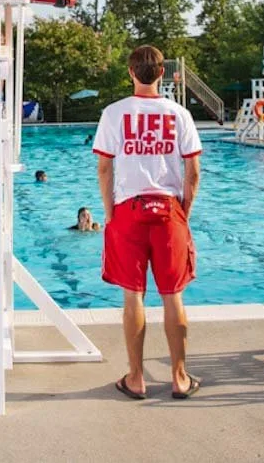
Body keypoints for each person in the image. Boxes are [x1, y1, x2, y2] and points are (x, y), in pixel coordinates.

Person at [95, 44, 202, 401]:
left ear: (130, 73)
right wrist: (184, 211)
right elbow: (193, 171)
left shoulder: (113, 113)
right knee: (173, 297)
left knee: (133, 297)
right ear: (162, 73)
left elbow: (105, 167)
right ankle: (179, 377)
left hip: (128, 210)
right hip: (169, 209)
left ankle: (137, 378)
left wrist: (110, 211)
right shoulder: (180, 114)